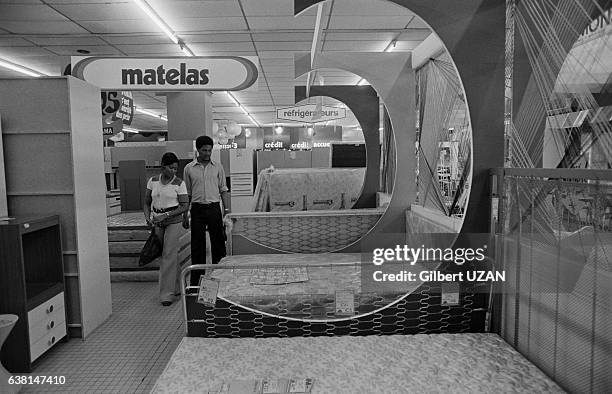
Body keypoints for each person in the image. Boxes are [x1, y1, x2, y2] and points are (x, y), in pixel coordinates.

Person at [183, 135, 231, 286]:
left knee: (218, 244)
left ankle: (221, 278)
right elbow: (187, 194)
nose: (207, 153)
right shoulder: (189, 169)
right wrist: (185, 214)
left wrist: (227, 210)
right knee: (197, 246)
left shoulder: (218, 167)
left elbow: (223, 189)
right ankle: (196, 283)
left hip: (214, 208)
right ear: (197, 150)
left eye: (210, 150)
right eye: (204, 150)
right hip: (197, 209)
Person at [143, 152, 189, 306]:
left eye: (176, 169)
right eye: (171, 168)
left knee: (168, 255)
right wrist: (147, 217)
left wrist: (167, 215)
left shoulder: (179, 183)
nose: (174, 171)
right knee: (168, 255)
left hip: (173, 222)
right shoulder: (153, 181)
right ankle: (177, 286)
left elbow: (184, 206)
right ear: (163, 167)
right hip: (157, 221)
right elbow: (146, 201)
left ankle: (166, 294)